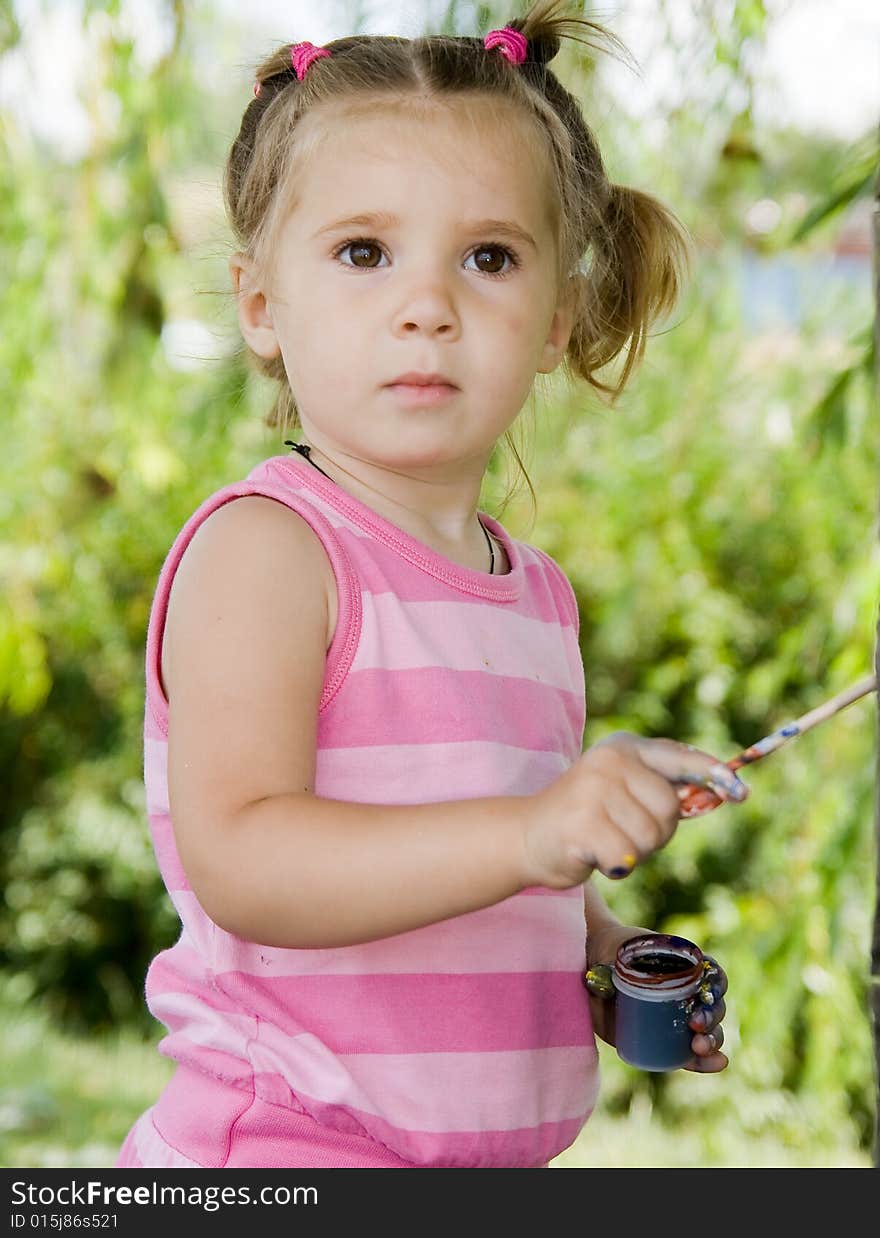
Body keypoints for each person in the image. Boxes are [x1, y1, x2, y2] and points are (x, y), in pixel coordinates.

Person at [115, 0, 749, 1170]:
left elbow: (501, 869)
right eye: (364, 251)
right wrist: (534, 830)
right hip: (285, 1151)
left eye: (489, 256)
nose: (428, 304)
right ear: (261, 305)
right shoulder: (269, 549)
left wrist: (606, 953)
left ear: (556, 318)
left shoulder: (534, 594)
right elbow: (247, 863)